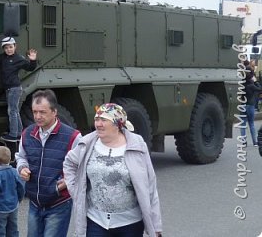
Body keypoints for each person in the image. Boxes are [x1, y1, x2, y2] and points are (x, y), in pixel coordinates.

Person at [63, 103, 163, 237]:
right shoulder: (87, 144)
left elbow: (150, 186)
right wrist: (75, 190)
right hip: (96, 221)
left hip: (130, 224)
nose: (98, 124)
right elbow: (69, 163)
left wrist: (156, 224)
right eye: (97, 119)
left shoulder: (137, 145)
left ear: (117, 124)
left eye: (104, 120)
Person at [15, 89, 81, 237]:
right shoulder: (27, 134)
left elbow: (80, 169)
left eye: (42, 112)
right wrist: (22, 168)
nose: (37, 116)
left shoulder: (73, 137)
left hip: (59, 204)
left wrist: (61, 185)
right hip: (34, 203)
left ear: (54, 111)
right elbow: (21, 156)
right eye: (34, 112)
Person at [0, 36, 38, 141]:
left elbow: (30, 67)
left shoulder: (18, 58)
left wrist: (33, 60)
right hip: (8, 89)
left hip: (15, 88)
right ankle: (20, 133)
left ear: (15, 46)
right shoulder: (3, 58)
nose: (9, 49)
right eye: (6, 48)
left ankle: (13, 134)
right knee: (15, 111)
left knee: (12, 111)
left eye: (10, 47)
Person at [0, 146, 25, 237]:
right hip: (13, 206)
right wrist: (20, 197)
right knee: (13, 230)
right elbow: (21, 186)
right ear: (10, 159)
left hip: (0, 208)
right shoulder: (15, 172)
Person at [240, 68, 262, 146]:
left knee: (243, 124)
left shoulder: (241, 84)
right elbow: (260, 89)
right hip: (250, 105)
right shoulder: (252, 85)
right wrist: (256, 81)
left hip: (242, 105)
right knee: (251, 124)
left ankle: (243, 142)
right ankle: (254, 142)